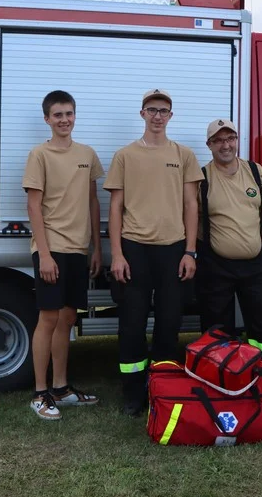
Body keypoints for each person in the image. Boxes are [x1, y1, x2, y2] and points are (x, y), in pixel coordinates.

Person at [105, 89, 204, 416]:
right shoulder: (125, 156)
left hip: (173, 251)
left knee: (168, 323)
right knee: (132, 325)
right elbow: (115, 207)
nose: (158, 116)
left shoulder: (184, 155)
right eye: (152, 110)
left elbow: (191, 205)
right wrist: (117, 254)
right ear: (142, 114)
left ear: (171, 116)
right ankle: (133, 393)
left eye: (163, 111)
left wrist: (190, 251)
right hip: (134, 250)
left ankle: (162, 388)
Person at [21, 90, 104, 420]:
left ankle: (61, 388)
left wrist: (95, 247)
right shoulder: (39, 154)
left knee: (68, 318)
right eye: (58, 115)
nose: (64, 120)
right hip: (51, 248)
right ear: (47, 119)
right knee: (49, 318)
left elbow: (93, 201)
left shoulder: (87, 154)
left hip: (78, 249)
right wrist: (44, 254)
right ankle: (40, 393)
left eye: (69, 113)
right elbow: (33, 205)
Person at [196, 118, 262, 364]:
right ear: (209, 145)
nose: (225, 145)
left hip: (256, 265)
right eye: (218, 140)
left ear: (237, 140)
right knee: (216, 329)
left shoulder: (256, 172)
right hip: (216, 267)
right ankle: (221, 377)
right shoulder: (201, 177)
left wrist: (246, 238)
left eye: (230, 139)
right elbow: (194, 221)